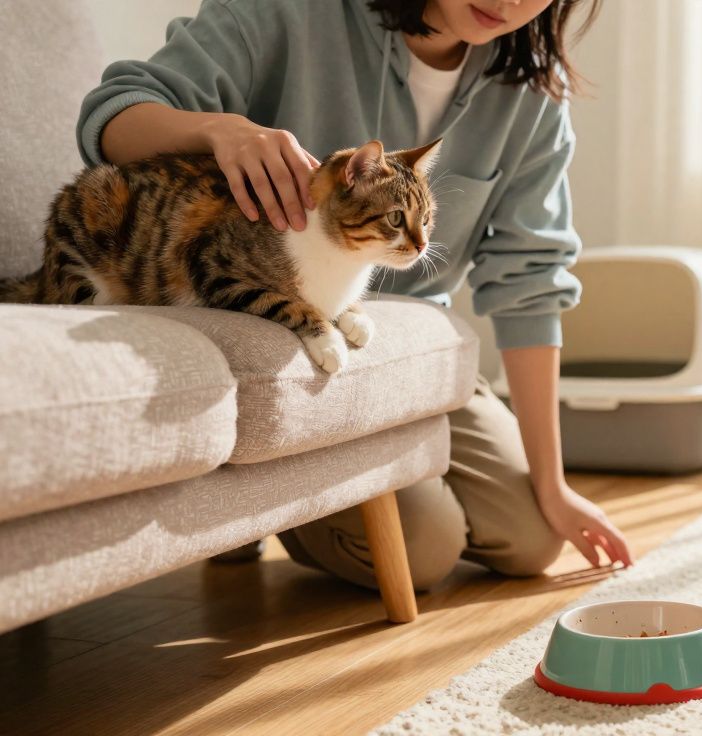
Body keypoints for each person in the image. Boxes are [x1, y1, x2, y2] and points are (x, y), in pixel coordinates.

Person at [77, 0, 633, 587]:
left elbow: (531, 285)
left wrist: (554, 483)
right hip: (289, 334)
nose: (509, 1)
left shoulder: (531, 93)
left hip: (415, 354)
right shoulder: (290, 14)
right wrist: (222, 130)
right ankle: (266, 513)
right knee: (423, 550)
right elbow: (111, 117)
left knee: (532, 539)